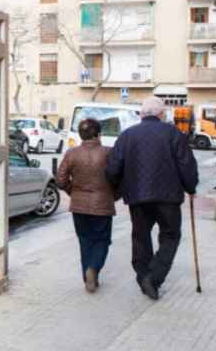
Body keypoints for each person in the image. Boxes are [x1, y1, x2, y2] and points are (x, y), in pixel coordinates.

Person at [106, 96, 198, 301]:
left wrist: (118, 187)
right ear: (162, 114)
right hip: (169, 197)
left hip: (137, 196)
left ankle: (144, 275)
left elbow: (112, 167)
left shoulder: (127, 135)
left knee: (140, 236)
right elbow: (186, 164)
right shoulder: (173, 133)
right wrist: (191, 187)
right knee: (171, 236)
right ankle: (154, 277)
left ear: (141, 114)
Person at [57, 119, 116, 293]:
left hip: (79, 205)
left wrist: (73, 192)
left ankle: (88, 276)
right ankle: (94, 269)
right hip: (102, 204)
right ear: (99, 134)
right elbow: (119, 177)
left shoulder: (71, 153)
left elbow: (60, 181)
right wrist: (112, 195)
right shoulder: (108, 153)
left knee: (85, 240)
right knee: (102, 240)